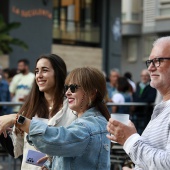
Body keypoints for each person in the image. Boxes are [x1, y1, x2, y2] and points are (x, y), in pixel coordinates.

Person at [0, 67, 111, 170]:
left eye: (73, 88)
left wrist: (17, 119)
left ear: (91, 93)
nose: (67, 93)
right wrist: (52, 164)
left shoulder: (89, 126)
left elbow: (58, 139)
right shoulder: (90, 122)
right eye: (67, 88)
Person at [0, 54, 77, 170]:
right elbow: (16, 149)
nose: (39, 76)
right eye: (36, 71)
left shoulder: (73, 110)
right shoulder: (30, 109)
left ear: (58, 73)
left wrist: (51, 163)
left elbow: (73, 147)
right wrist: (2, 131)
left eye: (44, 70)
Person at [107, 36, 170, 170]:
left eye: (158, 61)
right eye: (150, 62)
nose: (151, 68)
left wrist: (129, 140)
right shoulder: (162, 108)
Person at [132, 69, 157, 134]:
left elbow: (150, 98)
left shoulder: (152, 86)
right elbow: (134, 97)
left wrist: (139, 101)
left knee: (143, 131)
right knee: (135, 130)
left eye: (146, 76)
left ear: (149, 77)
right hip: (137, 112)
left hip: (146, 113)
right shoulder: (138, 86)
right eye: (142, 76)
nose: (144, 77)